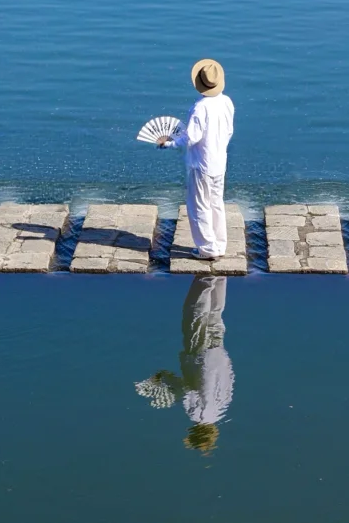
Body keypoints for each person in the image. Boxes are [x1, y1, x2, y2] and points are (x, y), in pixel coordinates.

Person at [134, 275, 235, 453]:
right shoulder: (197, 414)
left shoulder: (221, 411)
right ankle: (206, 278)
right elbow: (188, 390)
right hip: (199, 357)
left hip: (219, 353)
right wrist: (164, 377)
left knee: (215, 317)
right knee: (195, 315)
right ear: (195, 432)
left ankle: (220, 277)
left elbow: (229, 379)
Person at [160, 58, 234, 260]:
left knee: (199, 205)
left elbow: (191, 137)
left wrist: (169, 143)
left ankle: (207, 249)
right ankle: (219, 245)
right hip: (220, 161)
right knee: (216, 203)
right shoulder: (227, 102)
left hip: (201, 164)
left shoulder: (200, 108)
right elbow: (228, 131)